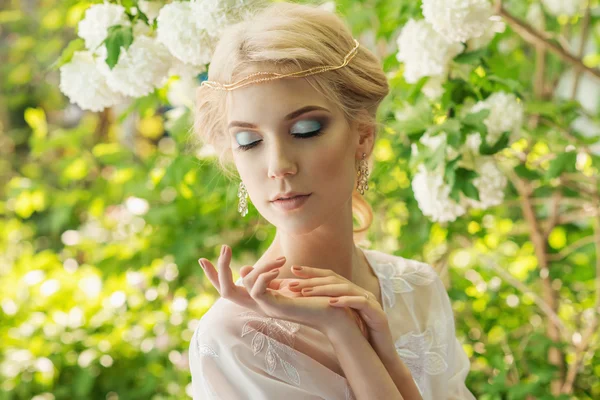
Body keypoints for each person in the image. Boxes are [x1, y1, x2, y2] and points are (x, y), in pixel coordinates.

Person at [189, 2, 476, 399]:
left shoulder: (417, 290)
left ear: (362, 135)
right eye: (249, 141)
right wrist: (344, 332)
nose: (279, 166)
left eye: (305, 130)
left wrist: (353, 336)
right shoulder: (233, 336)